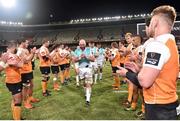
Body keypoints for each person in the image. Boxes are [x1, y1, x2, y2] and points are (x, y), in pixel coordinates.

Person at [117, 5, 179, 120]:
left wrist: (127, 73)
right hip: (168, 103)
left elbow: (145, 82)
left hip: (158, 106)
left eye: (150, 23)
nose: (148, 26)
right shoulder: (170, 42)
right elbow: (160, 74)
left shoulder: (157, 44)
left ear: (155, 22)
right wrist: (139, 70)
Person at [1, 41, 24, 120]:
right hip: (12, 81)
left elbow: (21, 65)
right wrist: (7, 64)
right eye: (16, 47)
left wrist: (16, 63)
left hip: (17, 79)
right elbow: (0, 68)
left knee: (16, 99)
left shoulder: (15, 55)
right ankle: (17, 119)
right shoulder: (5, 55)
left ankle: (16, 116)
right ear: (14, 47)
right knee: (18, 101)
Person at [17, 39, 39, 109]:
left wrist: (33, 53)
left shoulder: (25, 49)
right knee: (25, 87)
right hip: (23, 71)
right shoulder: (20, 50)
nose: (28, 44)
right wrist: (32, 53)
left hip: (29, 70)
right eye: (26, 43)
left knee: (31, 85)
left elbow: (30, 59)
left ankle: (30, 98)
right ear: (22, 42)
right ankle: (26, 102)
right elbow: (26, 60)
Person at [73, 39, 95, 106]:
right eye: (80, 44)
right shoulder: (76, 50)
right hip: (81, 69)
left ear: (85, 44)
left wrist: (86, 56)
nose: (82, 46)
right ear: (79, 44)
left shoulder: (89, 50)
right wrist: (80, 57)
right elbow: (74, 60)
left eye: (83, 44)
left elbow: (93, 59)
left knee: (88, 84)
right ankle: (87, 93)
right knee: (84, 84)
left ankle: (88, 100)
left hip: (88, 68)